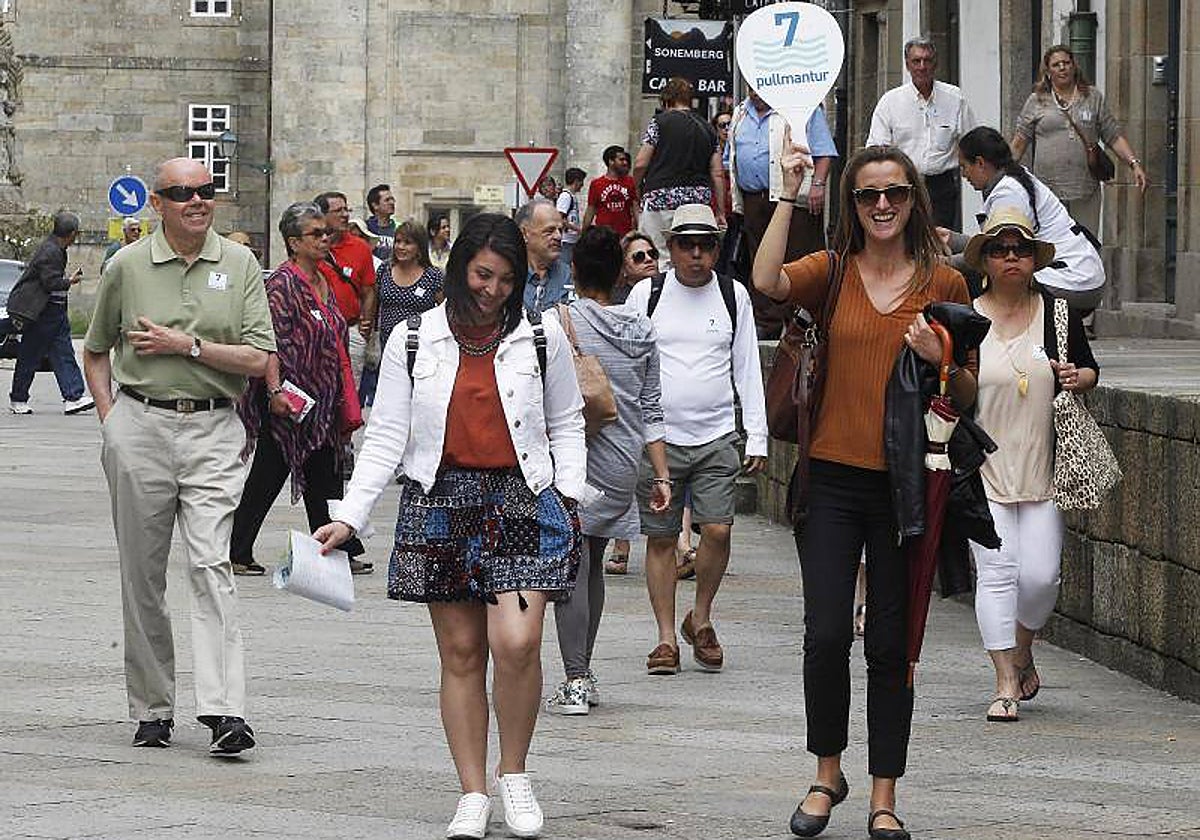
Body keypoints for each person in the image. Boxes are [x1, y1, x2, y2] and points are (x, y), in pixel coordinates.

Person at [312, 213, 591, 840]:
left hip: (521, 496)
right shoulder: (413, 338)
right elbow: (387, 435)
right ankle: (472, 792)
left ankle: (513, 771)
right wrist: (349, 516)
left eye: (507, 279)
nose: (493, 290)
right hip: (440, 500)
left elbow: (568, 420)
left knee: (517, 641)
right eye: (483, 275)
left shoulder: (539, 334)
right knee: (461, 653)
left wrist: (569, 493)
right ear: (461, 267)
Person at [753, 144, 977, 840]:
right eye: (868, 194)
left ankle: (885, 795)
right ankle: (827, 773)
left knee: (890, 643)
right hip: (829, 480)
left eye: (895, 193)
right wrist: (787, 194)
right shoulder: (833, 270)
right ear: (851, 203)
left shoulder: (945, 282)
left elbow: (970, 392)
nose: (882, 205)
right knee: (825, 635)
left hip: (905, 486)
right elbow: (765, 279)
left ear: (914, 200)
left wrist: (942, 360)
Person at [82, 158, 276, 754]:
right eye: (181, 192)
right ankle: (152, 707)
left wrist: (187, 346)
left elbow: (259, 358)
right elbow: (95, 349)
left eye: (205, 190)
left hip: (214, 428)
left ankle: (224, 711)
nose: (196, 200)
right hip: (139, 424)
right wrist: (112, 422)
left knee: (212, 563)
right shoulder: (126, 265)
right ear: (157, 203)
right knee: (142, 574)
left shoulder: (239, 263)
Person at [962, 207, 1099, 722]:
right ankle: (1004, 682)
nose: (1011, 257)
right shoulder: (968, 318)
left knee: (1041, 578)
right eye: (1000, 249)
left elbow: (1090, 370)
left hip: (1044, 470)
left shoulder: (1058, 313)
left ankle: (1022, 649)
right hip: (985, 471)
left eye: (1020, 249)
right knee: (997, 572)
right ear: (985, 260)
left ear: (1034, 259)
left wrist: (1078, 377)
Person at [625, 203, 767, 677]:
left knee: (718, 530)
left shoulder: (732, 295)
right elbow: (628, 363)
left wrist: (757, 435)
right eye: (687, 244)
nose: (696, 254)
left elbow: (747, 365)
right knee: (662, 538)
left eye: (705, 245)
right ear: (671, 248)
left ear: (716, 249)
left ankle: (700, 616)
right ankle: (665, 637)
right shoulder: (647, 294)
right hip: (659, 439)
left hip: (716, 433)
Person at [546, 226, 671, 715]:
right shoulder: (642, 329)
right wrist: (661, 474)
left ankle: (577, 678)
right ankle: (584, 670)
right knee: (591, 563)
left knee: (572, 567)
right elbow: (652, 405)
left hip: (575, 459)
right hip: (622, 463)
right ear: (620, 273)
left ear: (574, 270)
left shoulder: (560, 321)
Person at [228, 202, 372, 577]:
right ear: (294, 242)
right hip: (289, 400)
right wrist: (275, 391)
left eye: (327, 233)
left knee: (324, 472)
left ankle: (336, 545)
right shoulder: (282, 284)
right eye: (316, 234)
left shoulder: (324, 278)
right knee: (269, 474)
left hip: (321, 402)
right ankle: (236, 549)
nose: (325, 239)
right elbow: (270, 342)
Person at [952, 127, 1106, 311]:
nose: (963, 175)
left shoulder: (1008, 193)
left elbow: (999, 251)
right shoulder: (1012, 180)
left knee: (983, 278)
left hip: (1071, 281)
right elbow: (992, 245)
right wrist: (951, 239)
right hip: (1080, 278)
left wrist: (946, 263)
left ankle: (996, 328)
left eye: (964, 167)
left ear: (980, 163)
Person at [726, 90, 839, 338]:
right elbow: (730, 157)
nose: (755, 93)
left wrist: (818, 185)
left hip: (796, 199)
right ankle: (767, 324)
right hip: (754, 199)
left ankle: (804, 322)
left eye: (759, 88)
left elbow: (824, 152)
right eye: (751, 87)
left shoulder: (803, 108)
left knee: (800, 258)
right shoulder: (740, 113)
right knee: (760, 259)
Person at [1011, 44, 1148, 239]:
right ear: (1048, 72)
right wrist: (1003, 172)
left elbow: (1113, 135)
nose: (1062, 68)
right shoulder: (1036, 100)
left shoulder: (1092, 97)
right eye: (1056, 65)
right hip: (1048, 191)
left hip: (1085, 190)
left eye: (1066, 63)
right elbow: (1019, 141)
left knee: (1085, 243)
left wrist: (1134, 164)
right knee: (1051, 245)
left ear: (1074, 66)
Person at [867, 37, 975, 230]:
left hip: (942, 186)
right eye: (916, 61)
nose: (922, 67)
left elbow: (971, 143)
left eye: (927, 60)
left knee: (939, 239)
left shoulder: (954, 98)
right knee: (904, 238)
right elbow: (876, 150)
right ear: (907, 64)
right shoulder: (890, 102)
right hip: (902, 185)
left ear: (936, 64)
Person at [631, 77, 726, 268]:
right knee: (689, 256)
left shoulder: (659, 122)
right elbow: (717, 172)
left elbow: (640, 163)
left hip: (660, 199)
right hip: (697, 202)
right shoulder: (708, 128)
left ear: (666, 100)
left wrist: (638, 188)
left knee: (657, 255)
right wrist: (720, 210)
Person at [6, 211, 94, 415]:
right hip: (41, 311)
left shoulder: (55, 248)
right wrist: (69, 281)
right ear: (72, 234)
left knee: (62, 352)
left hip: (52, 310)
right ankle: (19, 398)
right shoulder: (51, 251)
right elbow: (50, 282)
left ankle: (73, 396)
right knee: (31, 354)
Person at [314, 191, 377, 387]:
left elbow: (369, 291)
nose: (345, 215)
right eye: (338, 211)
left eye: (346, 209)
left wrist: (365, 327)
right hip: (317, 333)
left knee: (350, 392)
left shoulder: (360, 247)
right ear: (322, 215)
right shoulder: (311, 246)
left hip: (351, 332)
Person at [375, 218, 444, 350]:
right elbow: (374, 304)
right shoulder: (384, 269)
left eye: (407, 243)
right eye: (398, 241)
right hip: (388, 344)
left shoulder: (433, 275)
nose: (401, 247)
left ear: (419, 247)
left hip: (422, 346)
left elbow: (443, 311)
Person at [516, 198, 571, 311]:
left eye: (560, 230)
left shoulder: (568, 276)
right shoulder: (508, 275)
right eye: (549, 231)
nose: (558, 236)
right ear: (524, 234)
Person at [582, 145, 639, 237]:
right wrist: (584, 234)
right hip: (603, 236)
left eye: (625, 159)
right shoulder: (596, 184)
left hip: (625, 235)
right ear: (611, 161)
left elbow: (636, 208)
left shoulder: (630, 181)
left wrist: (640, 230)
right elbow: (590, 211)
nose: (625, 162)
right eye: (621, 159)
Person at [556, 167, 585, 267]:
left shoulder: (572, 196)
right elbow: (560, 219)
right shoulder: (565, 196)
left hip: (572, 240)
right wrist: (577, 229)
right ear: (576, 181)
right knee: (565, 267)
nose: (582, 185)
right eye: (581, 181)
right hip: (566, 240)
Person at [365, 183, 397, 261]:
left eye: (392, 199)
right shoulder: (365, 228)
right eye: (387, 200)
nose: (392, 202)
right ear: (375, 205)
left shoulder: (398, 228)